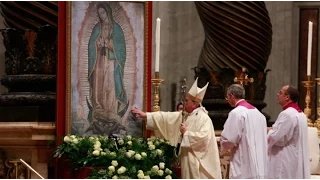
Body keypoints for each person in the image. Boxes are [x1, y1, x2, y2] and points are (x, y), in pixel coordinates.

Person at [131, 78, 221, 179]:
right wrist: (146, 115)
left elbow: (204, 139)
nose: (184, 103)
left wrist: (186, 133)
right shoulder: (187, 115)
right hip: (187, 159)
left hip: (196, 162)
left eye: (187, 101)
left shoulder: (204, 118)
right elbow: (167, 117)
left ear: (195, 103)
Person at [87, 3, 129, 123]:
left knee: (109, 84)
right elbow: (91, 45)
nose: (102, 15)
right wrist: (97, 44)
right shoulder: (97, 28)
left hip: (111, 61)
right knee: (98, 83)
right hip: (99, 60)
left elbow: (121, 47)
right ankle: (98, 108)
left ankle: (111, 110)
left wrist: (110, 44)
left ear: (108, 12)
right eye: (100, 13)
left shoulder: (116, 28)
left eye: (103, 12)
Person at [220, 84, 268, 179]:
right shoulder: (259, 114)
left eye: (227, 97)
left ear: (232, 96)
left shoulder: (236, 113)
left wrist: (223, 145)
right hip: (260, 162)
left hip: (243, 161)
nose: (227, 100)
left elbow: (229, 139)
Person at [267, 85, 310, 179]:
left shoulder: (287, 114)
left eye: (280, 92)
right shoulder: (300, 113)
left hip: (284, 158)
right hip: (294, 155)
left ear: (287, 97)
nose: (277, 94)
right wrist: (272, 129)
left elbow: (278, 138)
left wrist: (267, 132)